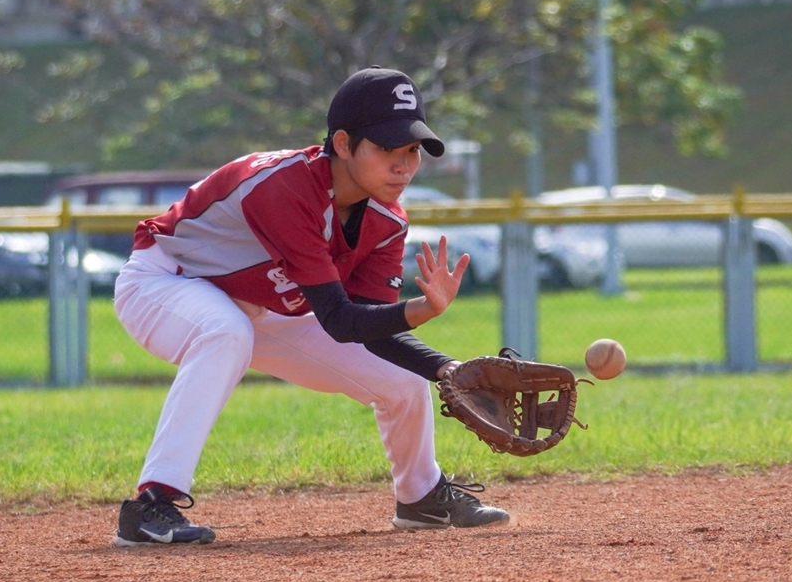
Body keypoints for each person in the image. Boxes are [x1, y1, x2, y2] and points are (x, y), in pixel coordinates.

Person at [111, 66, 510, 546]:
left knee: (402, 382)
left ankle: (421, 496)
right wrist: (424, 309)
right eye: (387, 149)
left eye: (412, 151)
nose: (404, 165)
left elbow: (371, 330)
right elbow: (342, 322)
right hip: (166, 282)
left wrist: (447, 369)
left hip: (265, 307)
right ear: (343, 144)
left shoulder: (386, 219)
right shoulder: (283, 187)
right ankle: (151, 504)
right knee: (225, 332)